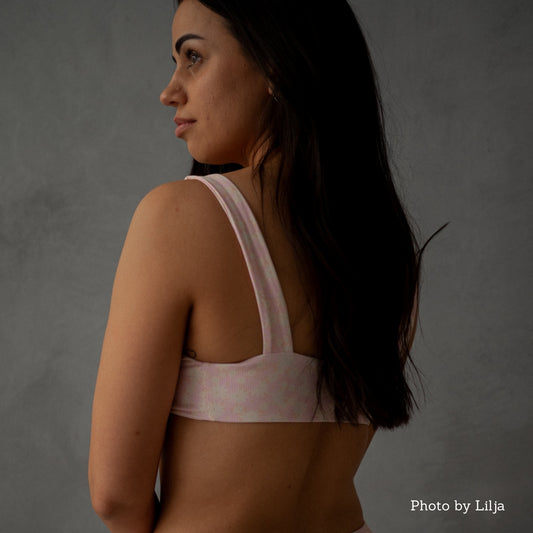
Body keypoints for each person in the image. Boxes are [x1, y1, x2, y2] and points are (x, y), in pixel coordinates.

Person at [88, 1, 447, 531]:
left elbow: (116, 497)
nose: (170, 91)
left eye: (193, 57)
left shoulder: (182, 216)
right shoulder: (388, 251)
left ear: (275, 64)